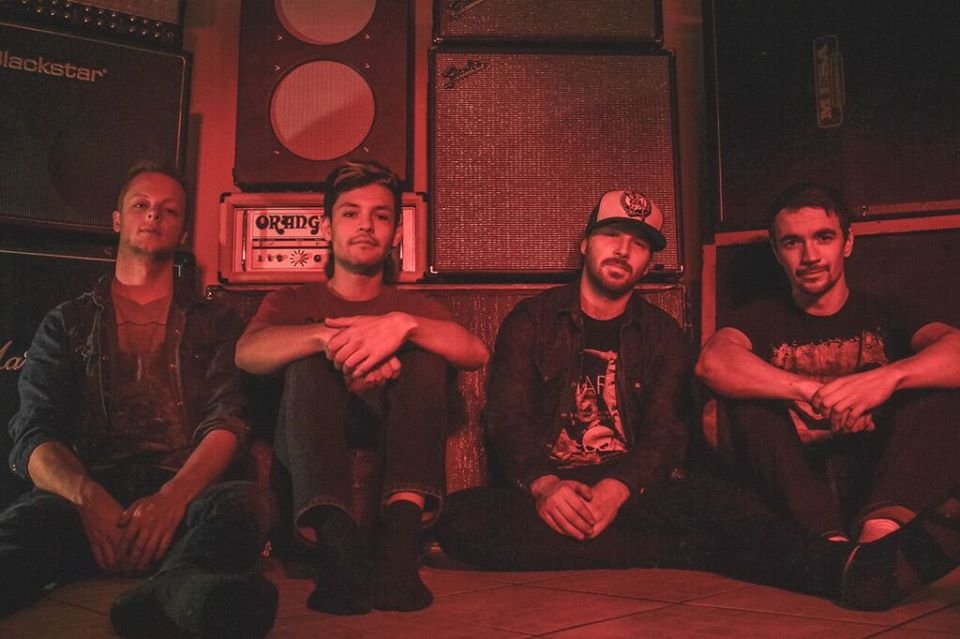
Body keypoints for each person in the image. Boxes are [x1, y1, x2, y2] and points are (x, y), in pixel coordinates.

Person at [433, 188, 960, 610]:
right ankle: (679, 551)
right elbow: (506, 418)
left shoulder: (662, 335)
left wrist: (618, 488)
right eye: (611, 235)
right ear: (586, 244)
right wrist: (545, 485)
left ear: (649, 261)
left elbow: (666, 432)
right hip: (553, 489)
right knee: (460, 519)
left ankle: (849, 558)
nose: (623, 251)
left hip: (637, 491)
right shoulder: (533, 320)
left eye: (639, 244)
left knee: (728, 509)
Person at [1, 161, 277, 638]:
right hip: (87, 498)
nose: (154, 215)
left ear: (183, 230)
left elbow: (227, 421)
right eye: (141, 205)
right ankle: (177, 592)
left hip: (184, 500)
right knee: (20, 531)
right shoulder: (66, 322)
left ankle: (168, 595)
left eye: (169, 210)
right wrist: (88, 498)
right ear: (117, 220)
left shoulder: (216, 323)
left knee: (247, 505)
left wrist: (173, 499)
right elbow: (33, 432)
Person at [235, 160, 488, 615]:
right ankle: (337, 545)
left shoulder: (414, 305)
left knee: (427, 357)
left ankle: (399, 542)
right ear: (326, 228)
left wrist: (404, 325)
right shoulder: (293, 301)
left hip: (394, 449)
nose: (366, 225)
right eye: (351, 213)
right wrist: (328, 339)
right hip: (311, 464)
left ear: (396, 233)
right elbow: (247, 354)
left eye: (381, 215)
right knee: (307, 362)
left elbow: (474, 353)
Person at [696, 184, 960, 544]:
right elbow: (713, 362)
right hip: (794, 479)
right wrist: (814, 393)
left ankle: (878, 536)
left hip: (880, 475)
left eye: (823, 237)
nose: (810, 256)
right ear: (776, 252)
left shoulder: (886, 310)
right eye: (792, 242)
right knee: (730, 408)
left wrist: (888, 380)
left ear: (847, 242)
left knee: (942, 391)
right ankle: (831, 545)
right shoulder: (759, 317)